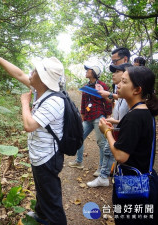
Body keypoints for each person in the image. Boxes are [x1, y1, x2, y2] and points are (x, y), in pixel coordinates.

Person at [0, 44, 67, 225]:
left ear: (43, 79)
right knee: (42, 190)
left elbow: (29, 125)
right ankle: (41, 216)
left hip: (48, 157)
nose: (31, 73)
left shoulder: (54, 101)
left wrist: (24, 103)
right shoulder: (41, 91)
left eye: (35, 71)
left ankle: (54, 220)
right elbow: (18, 73)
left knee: (52, 200)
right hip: (39, 155)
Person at [99, 66, 158, 224]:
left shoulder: (134, 117)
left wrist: (107, 132)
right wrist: (117, 125)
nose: (118, 84)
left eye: (124, 81)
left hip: (132, 187)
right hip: (145, 178)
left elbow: (120, 156)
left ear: (137, 89)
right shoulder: (144, 111)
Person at [87, 63, 132, 187]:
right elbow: (114, 100)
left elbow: (129, 120)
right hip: (115, 127)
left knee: (114, 153)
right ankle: (104, 177)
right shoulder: (119, 91)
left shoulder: (131, 97)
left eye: (117, 71)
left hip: (119, 130)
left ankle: (109, 177)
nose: (113, 74)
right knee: (108, 150)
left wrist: (111, 124)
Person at [68, 65, 112, 177]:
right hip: (88, 117)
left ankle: (101, 168)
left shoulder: (102, 85)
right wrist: (82, 115)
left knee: (101, 143)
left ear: (94, 73)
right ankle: (79, 162)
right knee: (79, 137)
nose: (86, 71)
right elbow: (83, 102)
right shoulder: (86, 86)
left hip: (99, 116)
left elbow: (107, 101)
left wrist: (108, 116)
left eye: (89, 70)